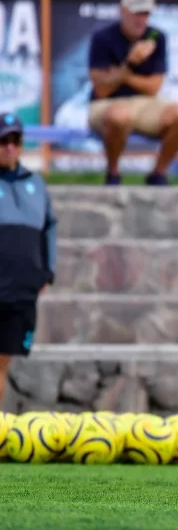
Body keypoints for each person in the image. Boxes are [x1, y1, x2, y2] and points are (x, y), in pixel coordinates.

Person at [87, 0, 178, 186]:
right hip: (106, 104)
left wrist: (121, 74)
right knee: (119, 115)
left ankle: (158, 173)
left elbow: (154, 87)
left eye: (146, 13)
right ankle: (113, 174)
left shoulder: (157, 38)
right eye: (137, 13)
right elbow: (102, 90)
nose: (141, 19)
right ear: (123, 11)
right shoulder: (102, 38)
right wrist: (130, 63)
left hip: (144, 103)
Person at [0, 113, 56, 404]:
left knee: (2, 363)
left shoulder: (36, 185)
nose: (9, 147)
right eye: (3, 140)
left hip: (20, 290)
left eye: (15, 140)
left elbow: (49, 227)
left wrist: (48, 272)